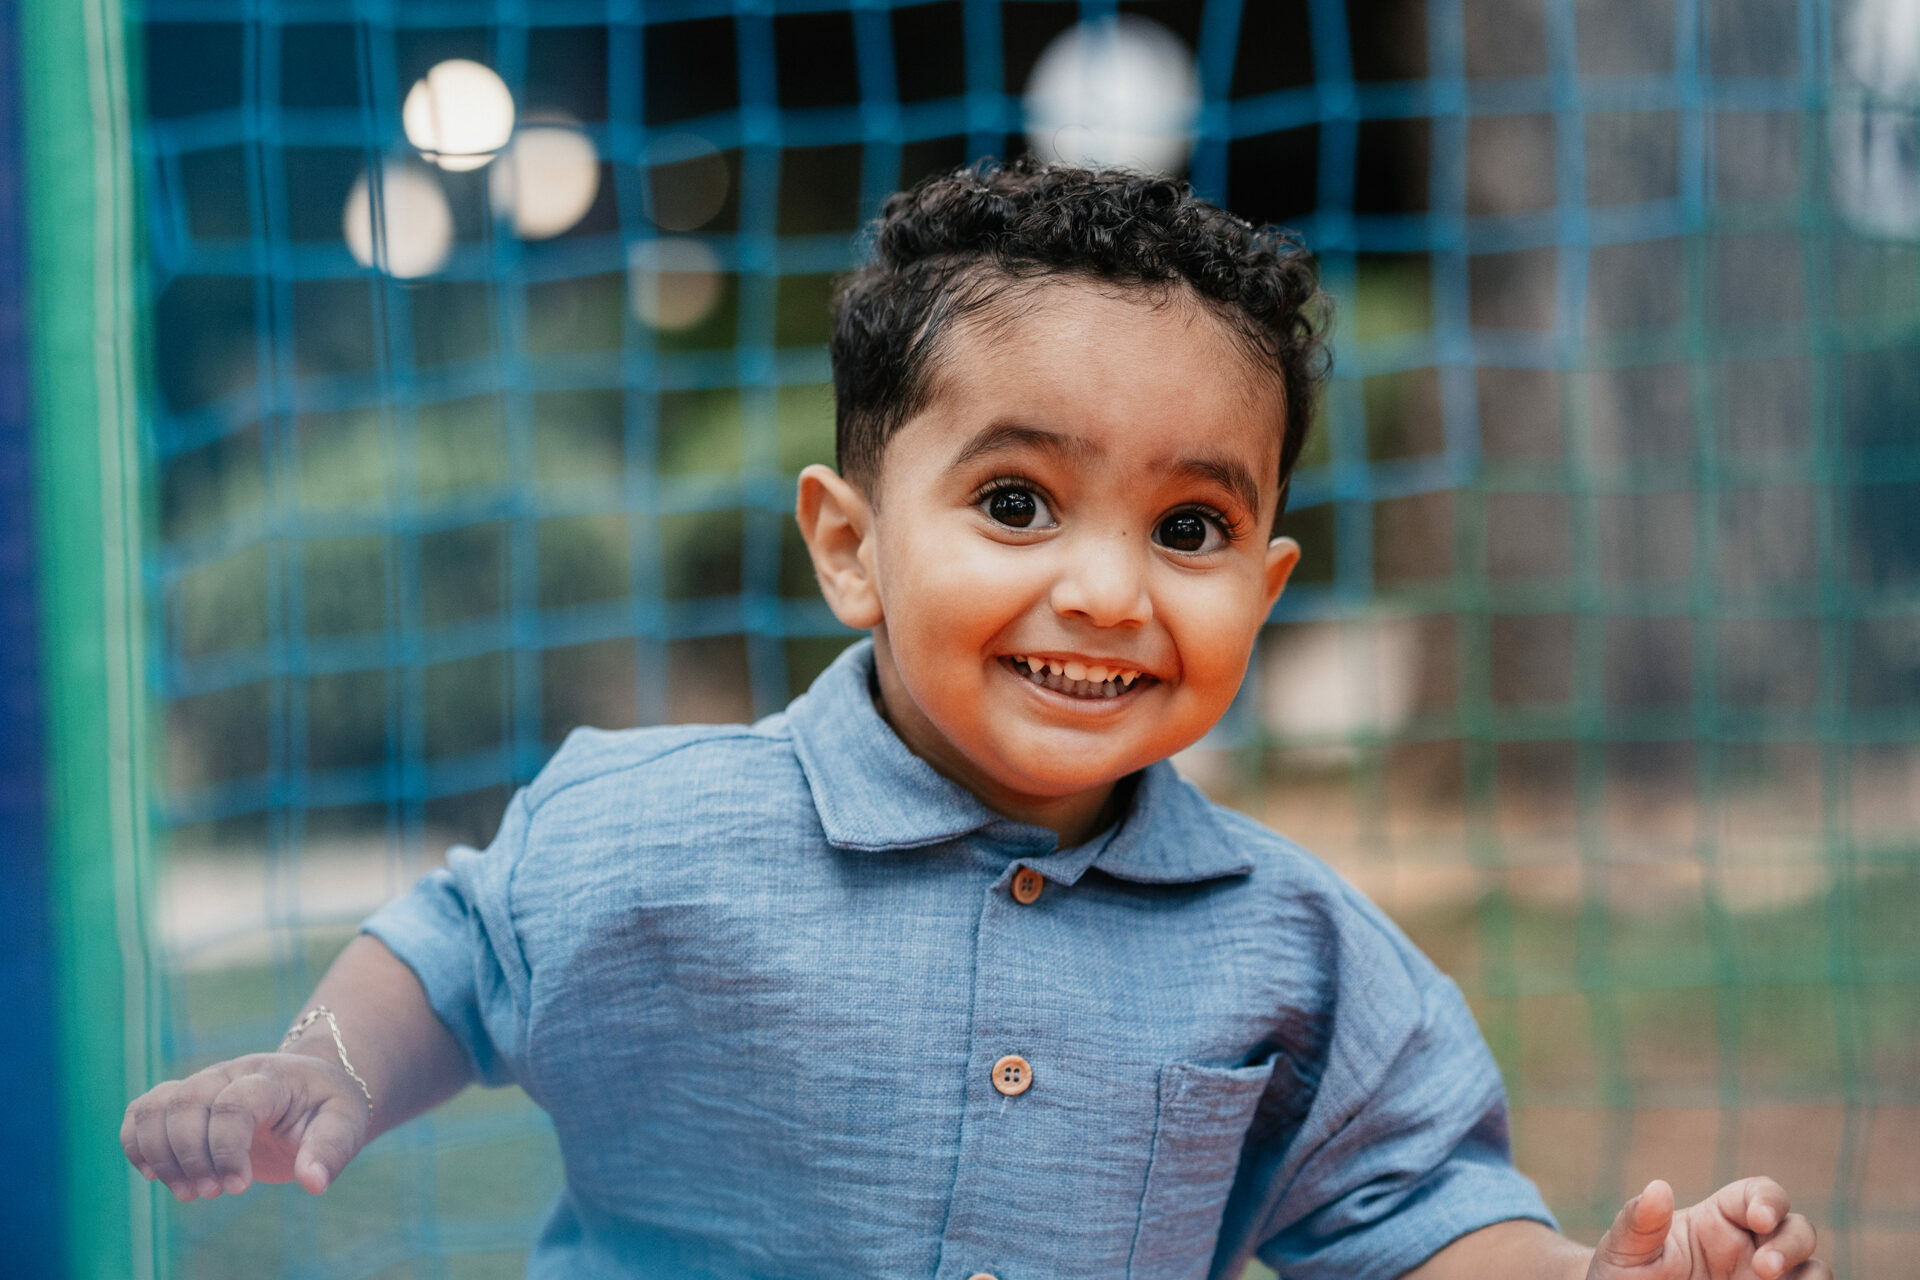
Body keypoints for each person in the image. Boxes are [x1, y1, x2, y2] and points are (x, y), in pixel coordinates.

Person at [121, 161, 1829, 1280]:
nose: (1108, 590)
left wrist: (1593, 1272)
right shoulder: (655, 825)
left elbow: (1417, 1209)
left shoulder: (1295, 951)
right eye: (1017, 504)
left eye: (1190, 528)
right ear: (850, 547)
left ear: (1266, 585)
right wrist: (322, 1064)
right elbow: (460, 946)